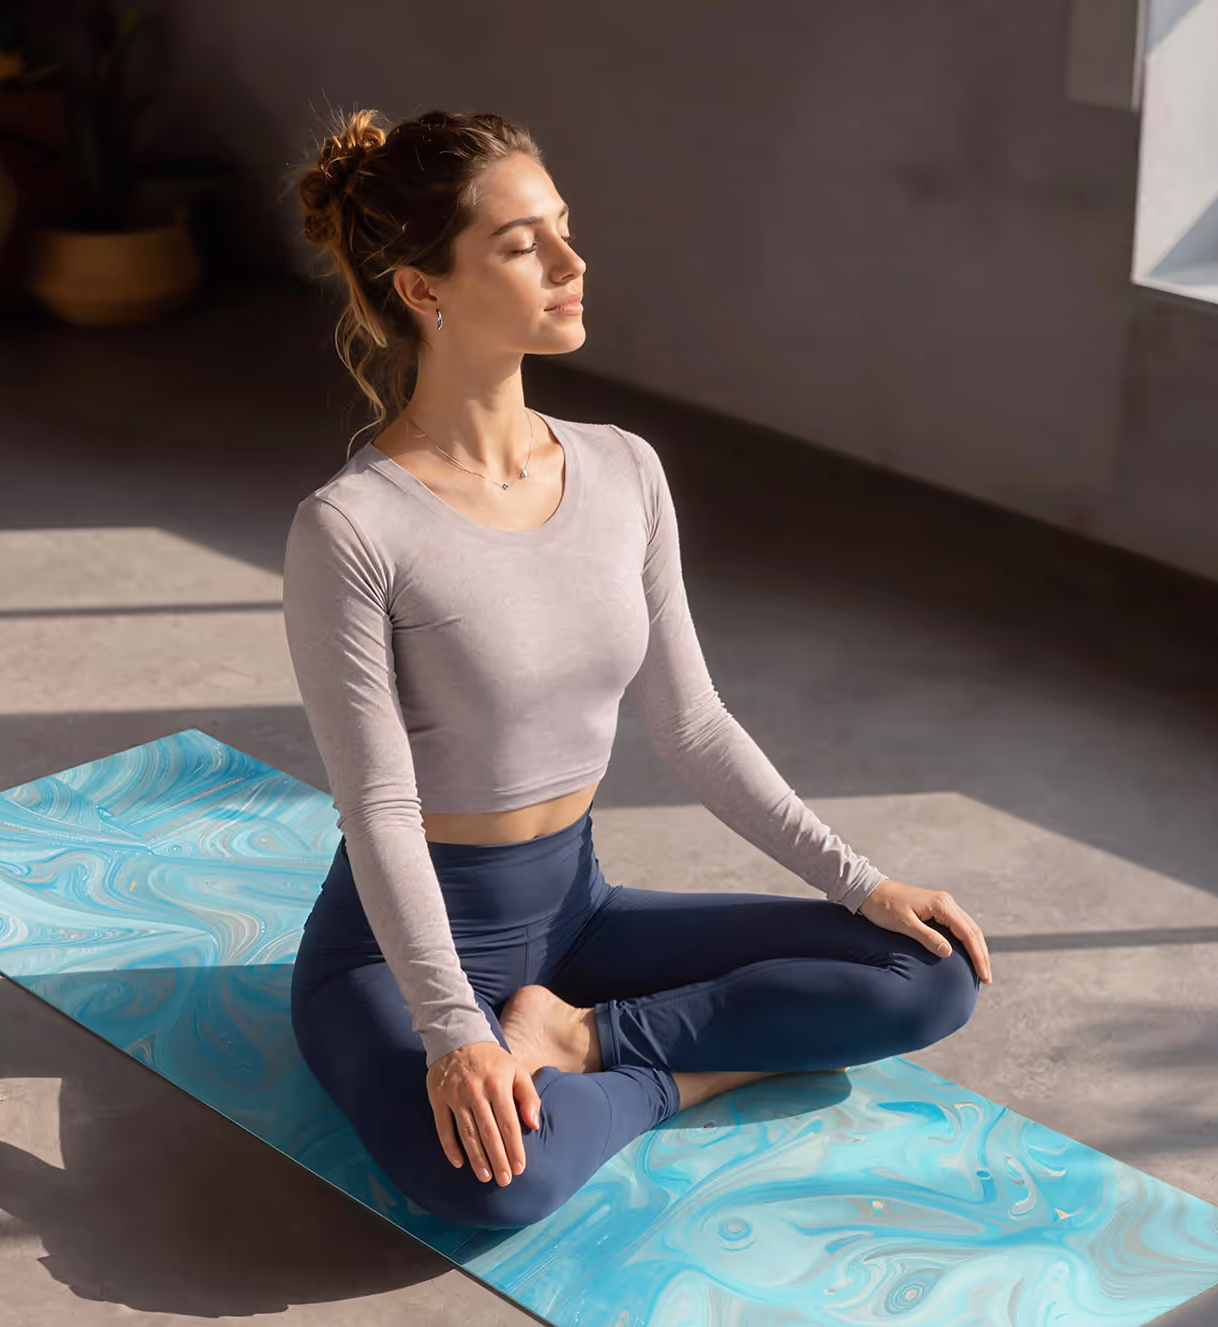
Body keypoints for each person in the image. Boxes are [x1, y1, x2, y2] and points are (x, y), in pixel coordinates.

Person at [283, 107, 991, 1231]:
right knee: (495, 1180)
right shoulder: (354, 528)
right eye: (523, 245)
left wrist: (862, 884)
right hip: (394, 951)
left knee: (933, 969)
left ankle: (586, 1040)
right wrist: (457, 1034)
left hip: (580, 916)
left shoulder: (624, 470)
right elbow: (377, 807)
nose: (572, 263)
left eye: (563, 229)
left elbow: (695, 726)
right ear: (425, 289)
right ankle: (668, 1075)